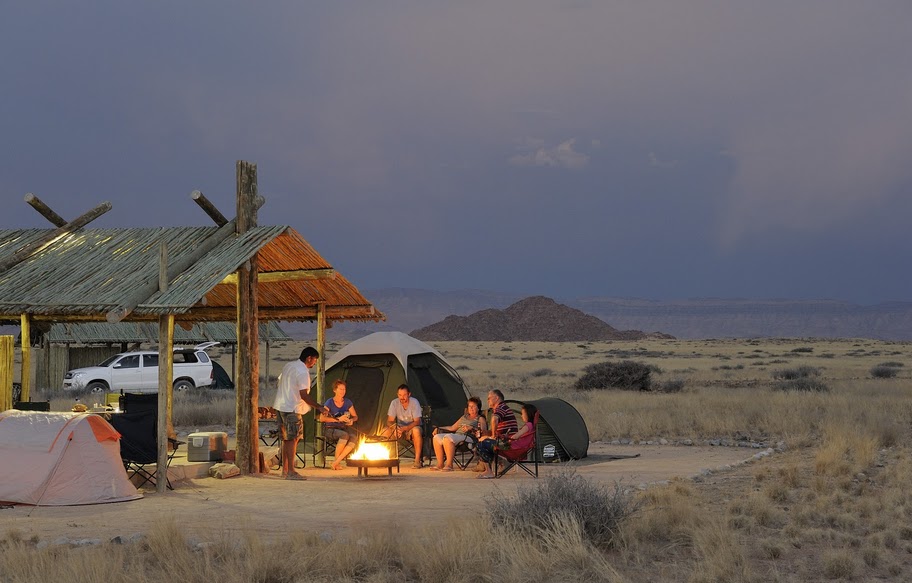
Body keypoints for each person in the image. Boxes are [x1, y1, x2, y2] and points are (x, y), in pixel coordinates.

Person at [273, 346, 329, 480]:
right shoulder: (303, 371)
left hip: (281, 406)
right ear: (309, 358)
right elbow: (303, 394)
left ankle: (285, 470)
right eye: (314, 360)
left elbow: (280, 381)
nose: (314, 363)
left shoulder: (289, 365)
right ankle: (291, 471)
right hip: (292, 408)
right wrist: (318, 407)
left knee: (287, 439)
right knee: (293, 439)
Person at [430, 396, 488, 472]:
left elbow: (483, 432)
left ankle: (449, 465)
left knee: (448, 437)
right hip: (457, 436)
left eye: (473, 406)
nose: (471, 408)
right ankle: (440, 464)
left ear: (478, 408)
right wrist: (439, 428)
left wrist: (472, 429)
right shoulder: (464, 417)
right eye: (469, 406)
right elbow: (452, 428)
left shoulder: (480, 418)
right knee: (436, 437)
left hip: (469, 438)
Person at [317, 379, 359, 470]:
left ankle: (336, 462)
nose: (342, 391)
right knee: (344, 435)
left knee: (354, 437)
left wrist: (351, 420)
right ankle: (336, 461)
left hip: (343, 428)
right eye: (340, 389)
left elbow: (355, 416)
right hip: (330, 429)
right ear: (335, 390)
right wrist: (337, 419)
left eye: (344, 389)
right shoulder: (329, 402)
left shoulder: (347, 402)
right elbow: (322, 418)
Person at [475, 389, 518, 479]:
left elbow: (494, 419)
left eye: (489, 398)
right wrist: (486, 433)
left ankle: (489, 471)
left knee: (481, 444)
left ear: (497, 398)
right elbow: (500, 429)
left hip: (508, 442)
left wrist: (493, 435)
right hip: (506, 439)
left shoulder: (501, 407)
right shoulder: (502, 408)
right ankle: (502, 462)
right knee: (483, 438)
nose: (488, 400)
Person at [381, 384, 424, 469]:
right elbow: (389, 421)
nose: (402, 397)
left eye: (404, 395)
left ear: (409, 394)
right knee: (385, 431)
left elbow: (417, 421)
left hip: (412, 427)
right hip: (399, 428)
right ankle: (384, 459)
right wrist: (394, 428)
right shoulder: (394, 403)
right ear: (397, 394)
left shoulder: (414, 402)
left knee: (416, 431)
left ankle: (417, 460)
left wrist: (406, 428)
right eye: (400, 395)